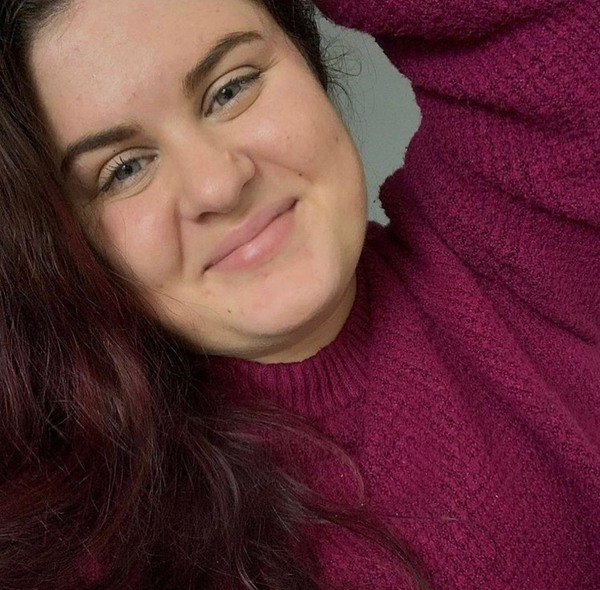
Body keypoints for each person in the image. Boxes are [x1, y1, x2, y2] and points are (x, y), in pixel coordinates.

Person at [0, 0, 598, 588]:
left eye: (230, 89)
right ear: (64, 239)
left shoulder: (514, 239)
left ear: (310, 63)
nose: (219, 184)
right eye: (125, 169)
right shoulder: (73, 545)